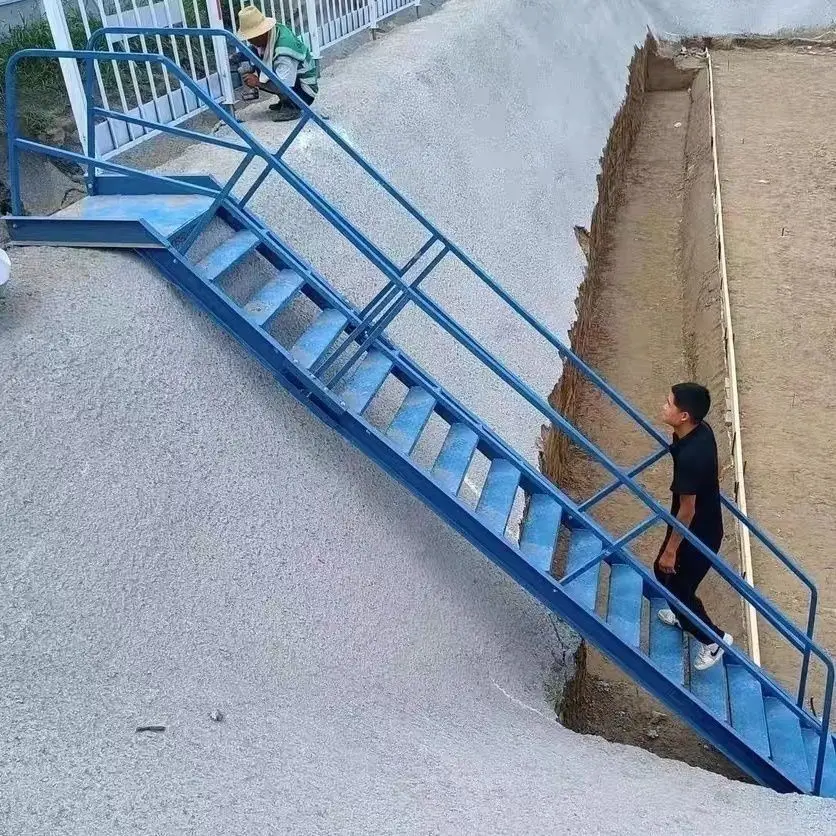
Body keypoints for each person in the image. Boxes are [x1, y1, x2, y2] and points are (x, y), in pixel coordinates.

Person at [655, 382, 733, 671]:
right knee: (671, 579)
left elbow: (688, 510)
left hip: (698, 530)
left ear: (685, 415)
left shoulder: (691, 458)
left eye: (669, 403)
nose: (664, 406)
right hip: (701, 523)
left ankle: (715, 641)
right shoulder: (700, 431)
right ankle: (682, 615)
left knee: (673, 579)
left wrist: (671, 550)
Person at [235, 5, 319, 122]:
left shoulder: (283, 53)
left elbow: (284, 85)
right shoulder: (274, 32)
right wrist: (240, 55)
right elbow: (255, 50)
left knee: (273, 77)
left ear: (262, 33)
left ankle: (294, 106)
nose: (249, 41)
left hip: (305, 92)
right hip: (295, 79)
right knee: (256, 56)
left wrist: (257, 82)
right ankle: (286, 101)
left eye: (251, 38)